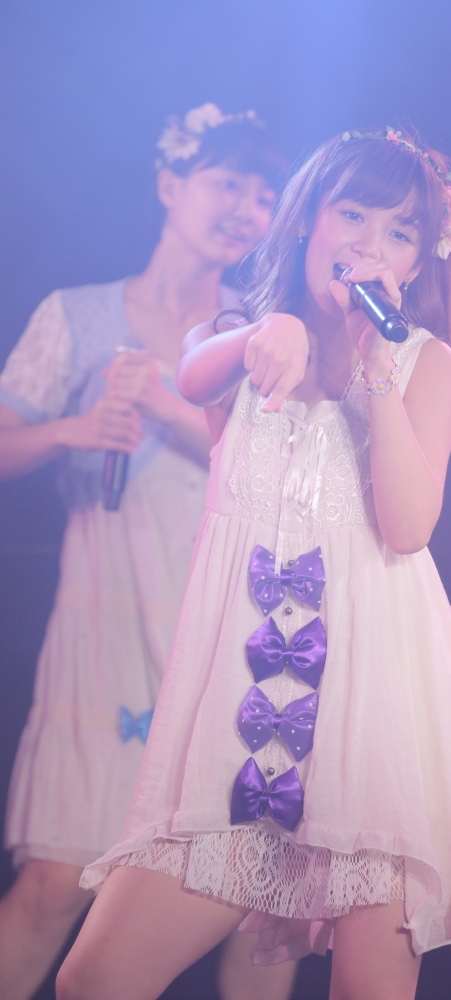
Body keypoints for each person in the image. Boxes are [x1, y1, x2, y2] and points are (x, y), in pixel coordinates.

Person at [56, 125, 451, 1000]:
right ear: (308, 217)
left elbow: (408, 526)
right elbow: (194, 377)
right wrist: (265, 328)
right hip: (235, 729)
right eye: (353, 215)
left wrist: (376, 371)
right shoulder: (235, 340)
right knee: (95, 980)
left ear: (419, 260)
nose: (370, 245)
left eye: (399, 232)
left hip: (373, 717)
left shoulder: (425, 364)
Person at [0, 104, 298, 1000]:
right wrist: (73, 429)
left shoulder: (263, 330)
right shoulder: (79, 315)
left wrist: (167, 406)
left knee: (251, 908)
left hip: (230, 636)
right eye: (227, 183)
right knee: (54, 885)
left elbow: (290, 475)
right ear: (169, 185)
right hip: (103, 627)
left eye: (263, 195)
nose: (245, 208)